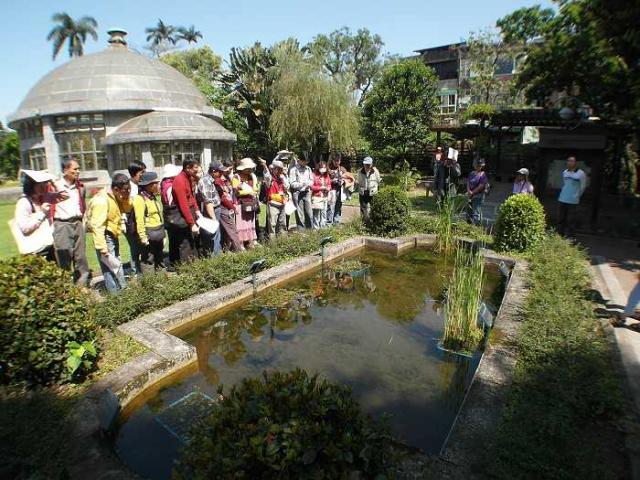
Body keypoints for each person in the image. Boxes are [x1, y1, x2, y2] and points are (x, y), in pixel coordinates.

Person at [87, 173, 132, 293]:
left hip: (112, 234)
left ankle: (122, 290)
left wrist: (126, 197)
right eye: (125, 190)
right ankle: (115, 295)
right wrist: (102, 248)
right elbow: (97, 226)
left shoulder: (115, 197)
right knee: (109, 267)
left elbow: (126, 209)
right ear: (116, 189)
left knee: (117, 264)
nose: (126, 192)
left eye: (128, 190)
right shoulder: (102, 201)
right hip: (105, 237)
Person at [51, 159, 90, 285]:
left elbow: (82, 204)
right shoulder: (55, 186)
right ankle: (65, 289)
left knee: (81, 258)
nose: (78, 171)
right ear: (65, 170)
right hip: (62, 225)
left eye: (78, 169)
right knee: (64, 257)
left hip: (78, 223)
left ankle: (81, 289)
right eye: (75, 169)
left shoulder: (80, 187)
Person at [14, 169, 66, 261]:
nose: (44, 186)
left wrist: (53, 182)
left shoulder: (43, 197)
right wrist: (42, 213)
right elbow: (25, 228)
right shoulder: (24, 203)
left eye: (45, 183)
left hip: (48, 247)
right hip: (34, 251)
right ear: (31, 185)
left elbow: (65, 195)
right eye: (40, 184)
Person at [165, 158, 201, 265]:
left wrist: (197, 210)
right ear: (188, 168)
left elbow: (191, 196)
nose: (197, 170)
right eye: (195, 168)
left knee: (190, 241)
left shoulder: (188, 178)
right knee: (185, 243)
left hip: (190, 212)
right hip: (182, 215)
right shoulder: (179, 181)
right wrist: (192, 223)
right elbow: (183, 204)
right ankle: (187, 268)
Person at [133, 171, 165, 273]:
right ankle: (150, 284)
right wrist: (143, 236)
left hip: (158, 232)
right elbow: (139, 219)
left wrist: (163, 235)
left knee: (160, 258)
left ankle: (163, 283)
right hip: (149, 234)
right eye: (156, 183)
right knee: (148, 260)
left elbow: (158, 215)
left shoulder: (152, 197)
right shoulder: (140, 199)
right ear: (149, 185)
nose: (158, 185)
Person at [213, 161, 244, 252]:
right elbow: (223, 197)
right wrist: (232, 207)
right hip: (225, 207)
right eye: (229, 169)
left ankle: (227, 249)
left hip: (229, 206)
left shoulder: (227, 178)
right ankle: (238, 251)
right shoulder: (218, 180)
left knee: (227, 231)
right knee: (232, 229)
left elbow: (230, 193)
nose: (230, 171)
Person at [196, 162, 222, 257]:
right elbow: (208, 202)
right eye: (220, 172)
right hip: (211, 211)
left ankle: (214, 255)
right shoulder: (205, 181)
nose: (221, 173)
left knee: (215, 235)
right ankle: (215, 257)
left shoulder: (211, 180)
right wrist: (213, 219)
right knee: (212, 235)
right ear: (213, 171)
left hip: (215, 209)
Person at [125, 160, 146, 275]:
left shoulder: (139, 185)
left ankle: (141, 271)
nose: (143, 175)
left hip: (139, 220)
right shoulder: (129, 187)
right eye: (141, 172)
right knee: (135, 248)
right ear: (134, 173)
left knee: (140, 247)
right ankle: (136, 273)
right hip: (131, 222)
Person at [557, 156, 587, 237]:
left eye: (572, 161)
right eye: (569, 161)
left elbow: (583, 186)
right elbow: (565, 184)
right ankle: (560, 235)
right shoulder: (565, 172)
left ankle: (570, 237)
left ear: (575, 163)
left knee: (571, 220)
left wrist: (577, 195)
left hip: (573, 200)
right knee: (561, 218)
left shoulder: (581, 173)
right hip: (562, 198)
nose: (570, 162)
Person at [234, 157, 259, 248]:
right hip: (241, 204)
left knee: (250, 223)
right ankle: (241, 244)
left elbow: (256, 188)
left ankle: (250, 242)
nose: (249, 170)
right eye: (247, 168)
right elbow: (235, 192)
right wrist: (247, 192)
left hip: (250, 203)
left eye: (250, 168)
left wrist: (254, 191)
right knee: (241, 224)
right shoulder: (236, 177)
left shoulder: (252, 177)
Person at [327, 153, 354, 225]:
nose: (337, 162)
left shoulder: (342, 169)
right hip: (331, 190)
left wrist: (343, 181)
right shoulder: (328, 168)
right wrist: (333, 180)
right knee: (330, 206)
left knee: (339, 205)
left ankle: (336, 221)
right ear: (332, 160)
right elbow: (325, 179)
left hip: (340, 190)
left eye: (338, 161)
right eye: (335, 161)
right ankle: (329, 222)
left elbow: (349, 178)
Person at [263, 159, 289, 237]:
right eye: (277, 168)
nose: (279, 170)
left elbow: (287, 187)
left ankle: (282, 240)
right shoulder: (270, 179)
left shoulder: (282, 178)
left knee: (282, 224)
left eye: (281, 169)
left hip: (282, 203)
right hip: (273, 204)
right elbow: (267, 175)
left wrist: (284, 177)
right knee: (272, 224)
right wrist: (264, 165)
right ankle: (272, 242)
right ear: (273, 169)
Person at [289, 156, 313, 229]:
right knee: (299, 213)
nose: (306, 163)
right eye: (304, 161)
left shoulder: (308, 169)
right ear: (299, 160)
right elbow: (292, 183)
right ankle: (301, 230)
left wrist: (309, 184)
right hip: (297, 193)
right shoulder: (293, 170)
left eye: (307, 161)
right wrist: (301, 184)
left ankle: (310, 229)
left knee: (309, 212)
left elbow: (311, 180)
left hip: (307, 192)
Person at [357, 156, 381, 221]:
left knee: (373, 208)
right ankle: (363, 222)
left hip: (373, 192)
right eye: (366, 164)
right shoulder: (360, 171)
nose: (367, 165)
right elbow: (358, 182)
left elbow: (379, 181)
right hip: (363, 192)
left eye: (368, 164)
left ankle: (372, 221)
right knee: (363, 208)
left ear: (371, 164)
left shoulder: (375, 171)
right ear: (363, 164)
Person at [467, 158, 488, 225]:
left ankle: (476, 227)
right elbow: (468, 182)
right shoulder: (472, 173)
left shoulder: (483, 174)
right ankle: (468, 225)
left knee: (476, 211)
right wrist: (468, 191)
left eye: (479, 165)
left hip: (478, 195)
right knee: (469, 211)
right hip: (470, 194)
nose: (478, 167)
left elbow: (481, 186)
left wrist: (472, 192)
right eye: (477, 165)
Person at [311, 161, 331, 229]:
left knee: (324, 213)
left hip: (325, 196)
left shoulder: (326, 175)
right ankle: (316, 228)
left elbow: (329, 184)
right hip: (317, 196)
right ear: (318, 167)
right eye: (322, 167)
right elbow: (311, 187)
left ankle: (323, 228)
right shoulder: (314, 175)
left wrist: (328, 188)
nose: (323, 169)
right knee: (316, 214)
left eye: (324, 167)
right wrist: (320, 188)